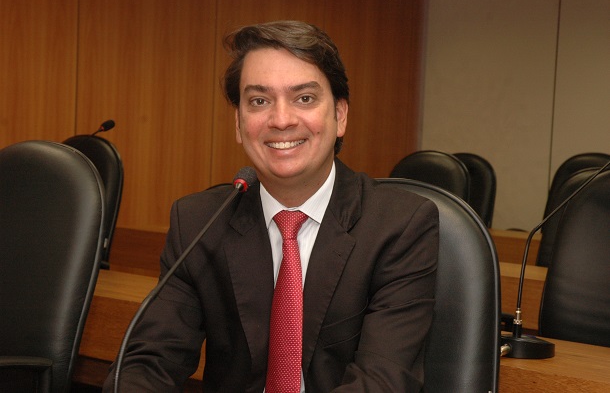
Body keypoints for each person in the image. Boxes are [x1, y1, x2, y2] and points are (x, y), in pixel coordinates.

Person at [103, 20, 438, 392]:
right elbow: (148, 361)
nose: (281, 120)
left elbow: (383, 382)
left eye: (304, 98)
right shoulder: (200, 222)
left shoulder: (400, 225)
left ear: (340, 115)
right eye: (259, 101)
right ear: (238, 122)